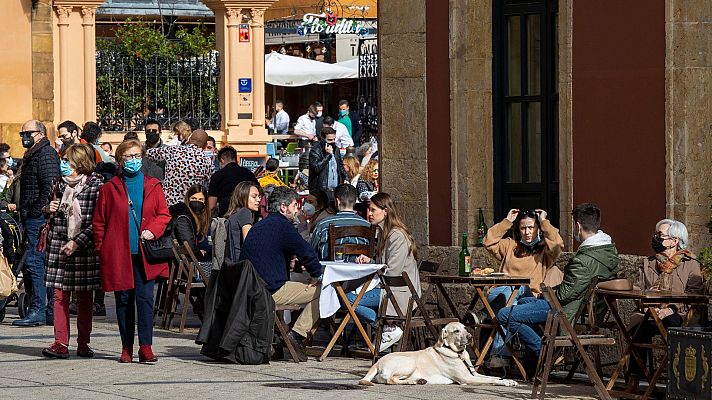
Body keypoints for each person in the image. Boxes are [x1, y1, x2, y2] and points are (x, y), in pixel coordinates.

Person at [497, 203, 620, 374]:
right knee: (524, 300)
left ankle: (541, 350)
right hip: (582, 307)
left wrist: (544, 294)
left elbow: (564, 294)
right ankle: (533, 364)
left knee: (504, 314)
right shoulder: (609, 252)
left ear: (577, 226)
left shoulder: (583, 260)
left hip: (567, 310)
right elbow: (572, 287)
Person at [93, 139, 172, 363]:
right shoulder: (109, 189)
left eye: (138, 156)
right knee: (124, 300)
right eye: (129, 157)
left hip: (145, 253)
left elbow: (164, 215)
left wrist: (152, 231)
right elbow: (99, 222)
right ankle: (126, 346)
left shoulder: (153, 185)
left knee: (145, 299)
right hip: (119, 253)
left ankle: (145, 346)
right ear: (120, 160)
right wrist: (102, 250)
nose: (134, 161)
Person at [240, 186, 323, 361]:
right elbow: (306, 253)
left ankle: (279, 336)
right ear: (284, 207)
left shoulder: (259, 226)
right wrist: (317, 275)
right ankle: (297, 334)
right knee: (326, 290)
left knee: (297, 281)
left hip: (251, 288)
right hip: (269, 291)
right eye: (294, 205)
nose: (297, 209)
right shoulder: (283, 226)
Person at [625, 219, 703, 394]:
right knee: (640, 329)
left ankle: (679, 381)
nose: (655, 239)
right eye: (656, 235)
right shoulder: (649, 263)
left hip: (681, 314)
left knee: (673, 324)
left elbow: (695, 296)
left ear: (675, 241)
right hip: (651, 312)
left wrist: (671, 308)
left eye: (660, 236)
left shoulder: (690, 264)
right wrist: (646, 304)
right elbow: (638, 290)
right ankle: (634, 379)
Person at [41, 144, 103, 359]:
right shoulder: (57, 184)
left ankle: (83, 342)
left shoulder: (96, 185)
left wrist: (77, 242)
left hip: (83, 249)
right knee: (59, 296)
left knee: (85, 298)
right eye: (63, 161)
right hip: (58, 245)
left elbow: (98, 221)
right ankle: (60, 342)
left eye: (67, 161)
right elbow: (49, 210)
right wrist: (48, 208)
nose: (63, 165)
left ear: (80, 163)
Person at [483, 208, 564, 366]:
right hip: (503, 294)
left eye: (531, 227)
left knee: (518, 287)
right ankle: (501, 355)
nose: (527, 232)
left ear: (537, 229)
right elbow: (488, 241)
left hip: (528, 298)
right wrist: (507, 221)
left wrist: (544, 221)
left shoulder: (544, 251)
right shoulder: (510, 245)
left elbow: (557, 243)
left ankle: (500, 353)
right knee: (511, 293)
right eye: (523, 228)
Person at [354, 192, 421, 352]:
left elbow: (393, 270)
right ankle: (385, 327)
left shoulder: (396, 235)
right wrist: (370, 262)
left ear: (385, 211)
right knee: (347, 296)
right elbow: (385, 264)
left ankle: (387, 328)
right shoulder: (385, 232)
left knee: (349, 299)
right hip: (390, 288)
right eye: (368, 210)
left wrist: (376, 270)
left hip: (399, 292)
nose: (369, 214)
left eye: (373, 210)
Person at [13, 120, 60, 327]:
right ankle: (47, 311)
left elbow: (50, 185)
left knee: (35, 262)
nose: (24, 137)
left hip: (37, 218)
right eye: (22, 133)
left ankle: (39, 309)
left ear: (40, 134)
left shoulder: (46, 154)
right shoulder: (33, 154)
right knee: (38, 262)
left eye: (28, 133)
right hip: (30, 216)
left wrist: (38, 210)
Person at [146, 128, 214, 207]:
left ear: (189, 139)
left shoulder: (173, 150)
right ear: (205, 145)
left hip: (169, 205)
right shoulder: (207, 161)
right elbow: (211, 185)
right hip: (191, 207)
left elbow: (149, 153)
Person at [310, 184, 370, 261]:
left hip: (329, 271)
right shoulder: (367, 226)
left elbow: (312, 251)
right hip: (360, 271)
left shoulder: (323, 225)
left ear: (337, 201)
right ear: (355, 201)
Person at [170, 185, 212, 280]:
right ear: (188, 199)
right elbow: (189, 244)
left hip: (190, 263)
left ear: (205, 202)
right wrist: (200, 253)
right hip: (190, 266)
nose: (197, 201)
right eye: (194, 198)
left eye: (201, 199)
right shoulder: (184, 217)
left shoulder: (203, 220)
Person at [208, 146, 259, 217]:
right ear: (235, 159)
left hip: (226, 214)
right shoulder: (248, 173)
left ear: (222, 160)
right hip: (247, 213)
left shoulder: (217, 175)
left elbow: (211, 205)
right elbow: (259, 192)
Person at [224, 181, 261, 262]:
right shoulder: (245, 212)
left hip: (230, 263)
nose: (258, 200)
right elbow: (249, 242)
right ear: (243, 196)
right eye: (254, 197)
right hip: (240, 264)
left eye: (259, 196)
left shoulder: (233, 214)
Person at [308, 127, 347, 194]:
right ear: (323, 139)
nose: (333, 142)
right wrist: (328, 155)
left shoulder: (336, 149)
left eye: (334, 139)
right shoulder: (316, 150)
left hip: (335, 189)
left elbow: (340, 166)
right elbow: (316, 168)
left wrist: (345, 177)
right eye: (330, 140)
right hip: (320, 189)